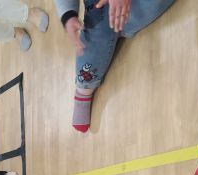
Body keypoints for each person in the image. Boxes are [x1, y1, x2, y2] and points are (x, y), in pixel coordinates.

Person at [55, 0, 176, 132]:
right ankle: (84, 89)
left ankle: (121, 26)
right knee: (89, 50)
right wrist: (68, 15)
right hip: (100, 10)